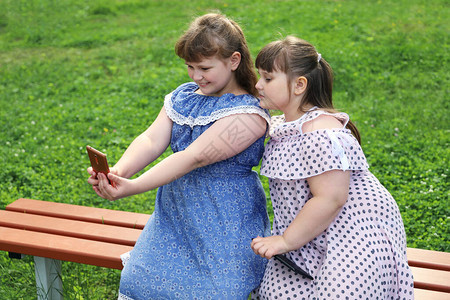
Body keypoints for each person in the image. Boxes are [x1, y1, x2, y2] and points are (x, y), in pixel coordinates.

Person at [87, 13, 271, 299]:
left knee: (215, 291)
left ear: (234, 61)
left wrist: (134, 187)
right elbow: (150, 139)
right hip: (175, 216)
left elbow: (193, 157)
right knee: (143, 282)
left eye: (205, 68)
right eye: (190, 66)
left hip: (223, 221)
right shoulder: (184, 96)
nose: (196, 76)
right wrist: (118, 172)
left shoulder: (247, 116)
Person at [250, 36, 415, 299]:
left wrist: (285, 241)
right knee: (277, 292)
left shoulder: (321, 132)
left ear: (299, 85)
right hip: (312, 235)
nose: (258, 84)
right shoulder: (286, 126)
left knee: (339, 293)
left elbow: (332, 198)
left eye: (268, 78)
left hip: (352, 238)